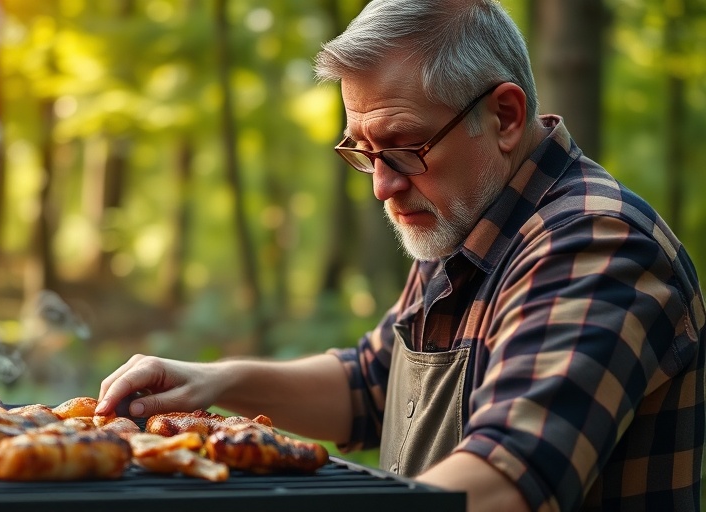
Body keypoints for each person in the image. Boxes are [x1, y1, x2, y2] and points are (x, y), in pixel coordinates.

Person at [95, 1, 706, 510]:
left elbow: (508, 478)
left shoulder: (594, 244)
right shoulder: (466, 215)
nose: (382, 185)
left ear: (505, 116)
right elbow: (374, 384)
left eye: (404, 147)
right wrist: (215, 380)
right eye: (362, 150)